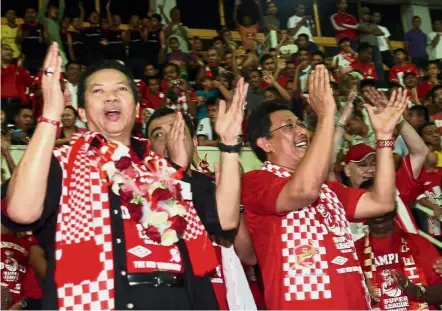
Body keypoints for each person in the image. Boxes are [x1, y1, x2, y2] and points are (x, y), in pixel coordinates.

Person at [3, 43, 246, 309]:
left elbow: (225, 220)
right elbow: (21, 211)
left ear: (137, 107)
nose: (111, 97)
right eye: (98, 91)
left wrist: (230, 143)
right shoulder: (62, 163)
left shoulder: (164, 170)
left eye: (121, 89)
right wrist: (50, 115)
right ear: (82, 112)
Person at [241, 65, 407, 310]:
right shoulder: (257, 180)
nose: (301, 131)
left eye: (300, 124)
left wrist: (384, 136)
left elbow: (382, 202)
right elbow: (303, 191)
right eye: (289, 126)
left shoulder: (328, 189)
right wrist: (327, 116)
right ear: (265, 144)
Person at [145, 80, 256, 310]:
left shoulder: (210, 185)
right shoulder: (139, 189)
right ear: (148, 148)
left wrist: (232, 196)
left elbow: (248, 255)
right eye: (158, 134)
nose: (169, 139)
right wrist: (175, 169)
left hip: (216, 293)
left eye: (177, 130)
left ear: (194, 142)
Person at [355, 210, 442, 310]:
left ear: (394, 209)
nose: (378, 213)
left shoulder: (419, 243)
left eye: (383, 205)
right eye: (373, 207)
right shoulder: (353, 252)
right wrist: (363, 296)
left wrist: (416, 291)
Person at [16, 7, 49, 75]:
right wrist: (23, 36)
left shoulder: (42, 27)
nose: (30, 14)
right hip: (27, 60)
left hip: (40, 59)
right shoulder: (22, 26)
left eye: (32, 12)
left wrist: (43, 39)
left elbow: (48, 42)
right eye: (27, 12)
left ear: (36, 14)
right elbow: (17, 41)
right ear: (25, 15)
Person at [357, 7, 385, 83]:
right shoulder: (360, 25)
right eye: (365, 14)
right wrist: (372, 31)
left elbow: (381, 33)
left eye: (368, 14)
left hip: (375, 47)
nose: (367, 15)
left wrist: (369, 31)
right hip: (365, 48)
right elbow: (364, 30)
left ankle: (381, 84)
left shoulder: (373, 25)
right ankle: (369, 83)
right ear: (361, 15)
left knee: (378, 65)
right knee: (368, 65)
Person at [38, 0, 68, 66]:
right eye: (53, 9)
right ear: (48, 10)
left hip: (60, 50)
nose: (56, 11)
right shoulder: (43, 20)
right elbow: (43, 8)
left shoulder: (57, 22)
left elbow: (62, 7)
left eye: (56, 10)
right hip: (50, 49)